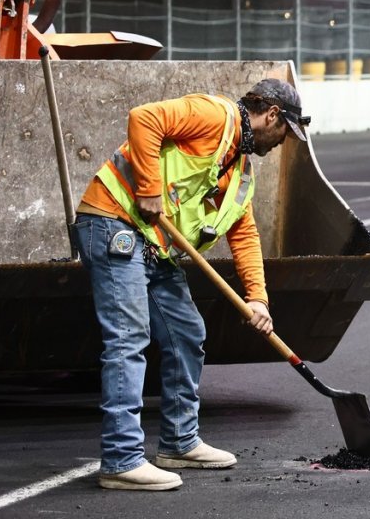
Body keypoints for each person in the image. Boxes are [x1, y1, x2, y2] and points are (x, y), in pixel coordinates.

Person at [72, 78, 310, 489]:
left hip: (155, 246)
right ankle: (121, 460)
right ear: (272, 115)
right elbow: (143, 118)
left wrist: (258, 300)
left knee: (186, 333)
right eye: (284, 133)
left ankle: (179, 442)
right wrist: (148, 188)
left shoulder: (238, 169)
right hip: (114, 223)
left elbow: (245, 234)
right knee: (129, 338)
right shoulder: (214, 115)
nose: (280, 143)